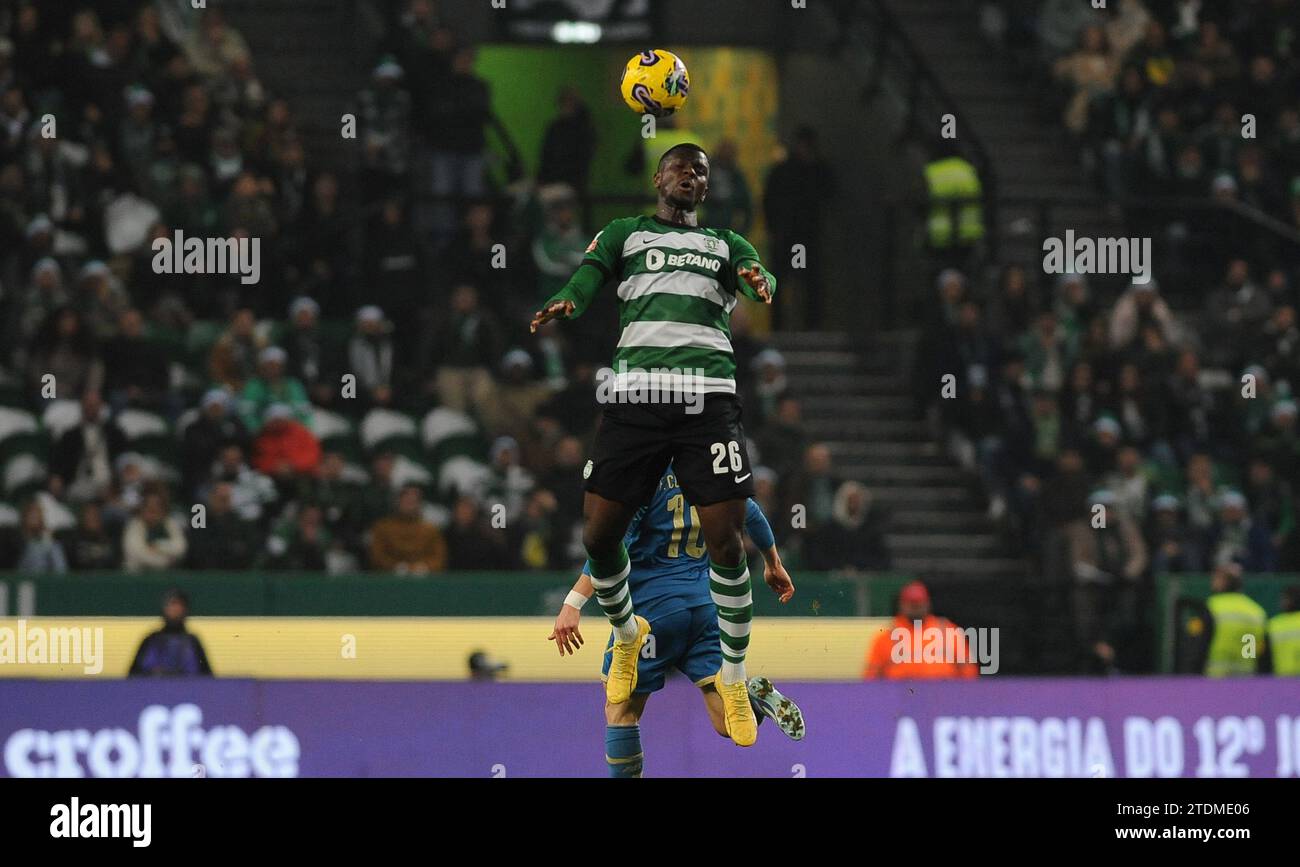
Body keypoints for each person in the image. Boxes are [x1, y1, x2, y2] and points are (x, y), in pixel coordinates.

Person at [530, 142, 778, 746]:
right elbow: (589, 275)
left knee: (726, 538)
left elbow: (762, 276)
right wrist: (571, 298)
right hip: (635, 399)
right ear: (658, 177)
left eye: (701, 169)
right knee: (598, 534)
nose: (690, 174)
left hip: (707, 401)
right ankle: (626, 634)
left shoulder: (726, 244)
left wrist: (758, 279)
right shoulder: (624, 233)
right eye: (680, 166)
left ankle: (738, 677)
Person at [548, 466, 803, 776]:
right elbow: (751, 512)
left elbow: (610, 546)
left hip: (654, 613)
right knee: (727, 724)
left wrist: (573, 602)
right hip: (706, 607)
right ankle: (754, 698)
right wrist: (773, 563)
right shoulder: (708, 470)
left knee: (621, 711)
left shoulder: (643, 473)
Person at [863, 581, 979, 679]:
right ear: (901, 605)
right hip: (900, 697)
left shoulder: (948, 631)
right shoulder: (886, 636)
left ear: (927, 604)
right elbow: (871, 679)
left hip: (943, 695)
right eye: (911, 604)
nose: (915, 607)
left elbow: (969, 673)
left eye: (919, 603)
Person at [1188, 562, 1268, 677]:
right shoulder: (1256, 612)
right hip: (1247, 680)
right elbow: (1260, 651)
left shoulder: (1212, 607)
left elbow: (1198, 645)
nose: (1212, 582)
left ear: (1223, 582)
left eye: (1216, 578)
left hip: (1215, 679)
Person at [129, 589, 213, 677]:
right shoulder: (151, 640)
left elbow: (207, 679)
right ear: (164, 608)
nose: (175, 610)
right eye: (172, 605)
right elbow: (132, 678)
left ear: (185, 610)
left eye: (179, 605)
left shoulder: (192, 642)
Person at [1266, 586, 1300, 676]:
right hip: (1282, 680)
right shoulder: (1273, 624)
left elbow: (1264, 657)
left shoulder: (1273, 625)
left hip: (1282, 680)